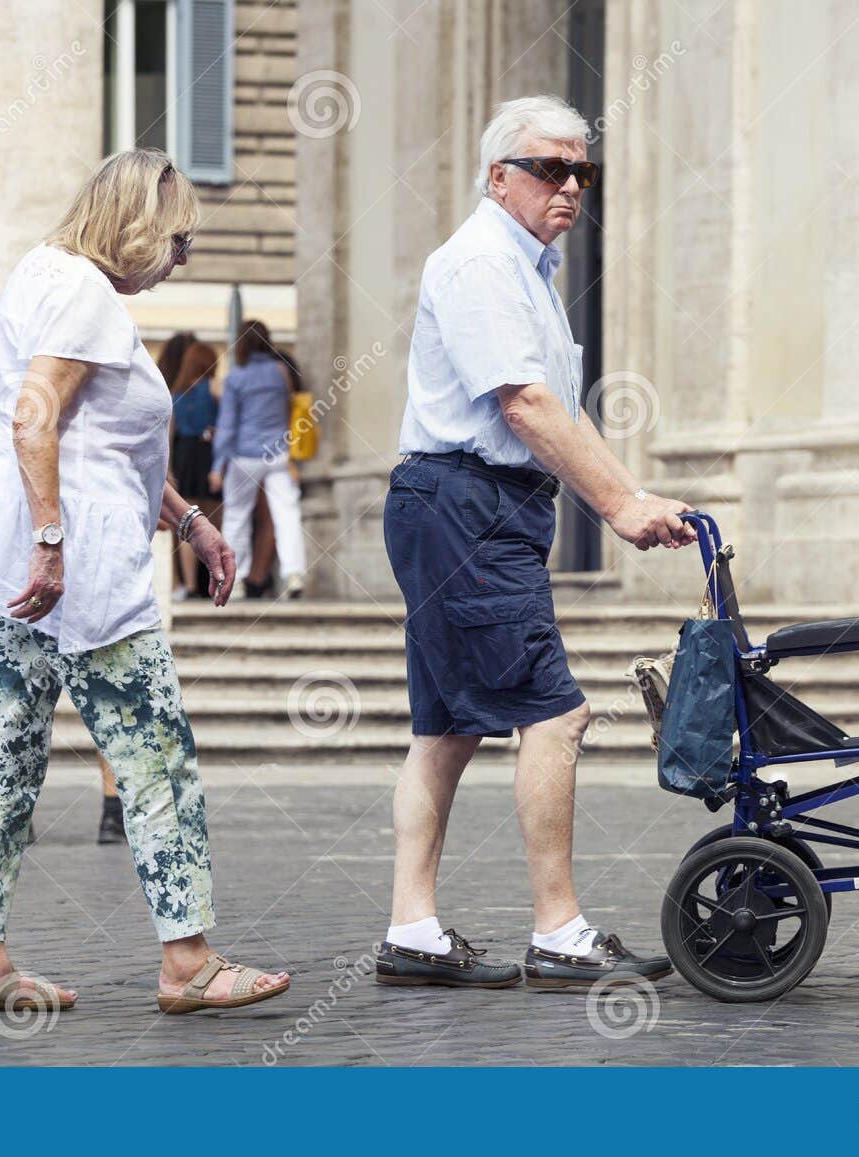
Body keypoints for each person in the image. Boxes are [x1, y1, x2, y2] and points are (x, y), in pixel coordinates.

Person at [0, 147, 289, 1015]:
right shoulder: (86, 292)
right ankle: (189, 961)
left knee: (2, 761)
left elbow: (101, 441)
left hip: (13, 561)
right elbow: (38, 414)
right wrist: (53, 541)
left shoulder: (40, 274)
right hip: (75, 571)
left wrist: (190, 519)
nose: (182, 260)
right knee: (156, 758)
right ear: (138, 224)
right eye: (179, 240)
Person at [375, 95, 697, 991]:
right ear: (499, 175)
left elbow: (554, 413)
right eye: (550, 169)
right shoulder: (483, 262)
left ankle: (413, 930)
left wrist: (621, 490)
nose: (570, 187)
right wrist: (622, 503)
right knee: (555, 712)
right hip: (467, 505)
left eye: (581, 171)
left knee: (445, 728)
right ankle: (559, 932)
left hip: (473, 505)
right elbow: (524, 405)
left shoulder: (528, 270)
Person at [208, 319, 307, 600]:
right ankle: (293, 573)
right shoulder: (281, 373)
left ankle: (235, 579)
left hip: (244, 456)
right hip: (279, 454)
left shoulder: (236, 378)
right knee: (287, 513)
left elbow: (227, 426)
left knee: (237, 517)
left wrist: (218, 466)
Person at [168, 340, 220, 600]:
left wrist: (168, 469)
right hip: (207, 454)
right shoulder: (213, 388)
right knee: (212, 521)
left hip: (184, 456)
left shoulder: (176, 394)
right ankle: (213, 580)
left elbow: (168, 435)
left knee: (189, 523)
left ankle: (189, 585)